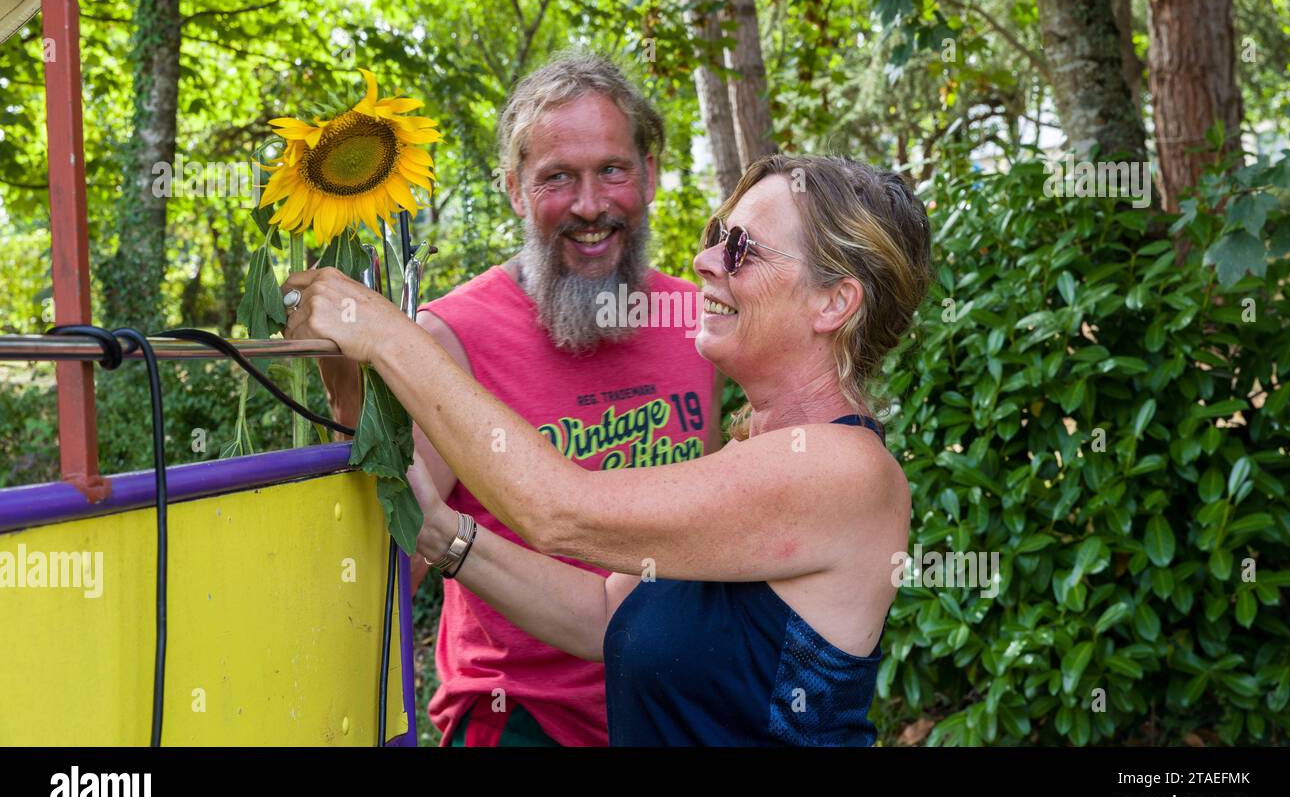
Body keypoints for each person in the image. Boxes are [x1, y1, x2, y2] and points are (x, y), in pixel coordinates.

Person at [287, 153, 932, 745]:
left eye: (741, 249)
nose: (706, 261)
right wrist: (443, 533)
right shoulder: (751, 457)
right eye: (716, 235)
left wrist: (391, 338)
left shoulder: (844, 471)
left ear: (834, 301)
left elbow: (561, 509)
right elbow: (601, 614)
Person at [315, 49, 719, 747]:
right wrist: (347, 395)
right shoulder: (450, 338)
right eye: (557, 178)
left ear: (649, 176)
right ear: (514, 190)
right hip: (525, 718)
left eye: (612, 171)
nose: (590, 206)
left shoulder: (700, 324)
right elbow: (394, 550)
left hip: (677, 706)